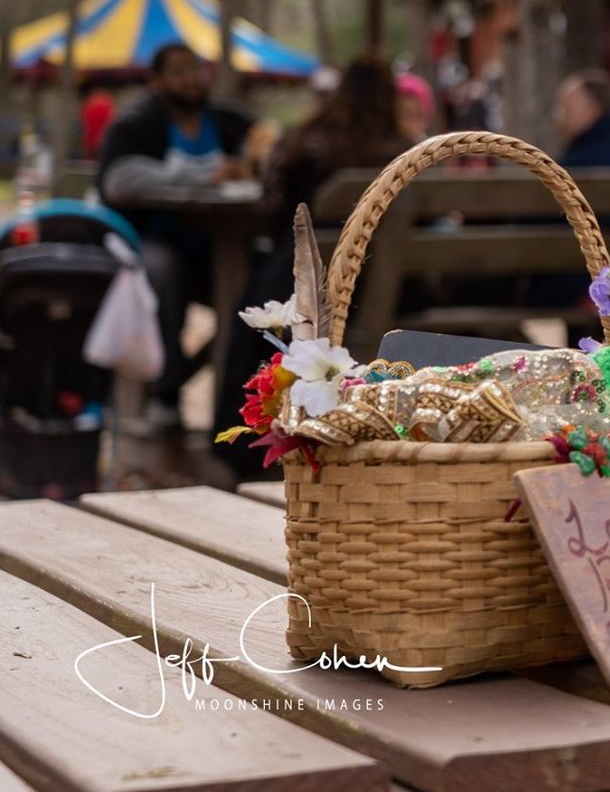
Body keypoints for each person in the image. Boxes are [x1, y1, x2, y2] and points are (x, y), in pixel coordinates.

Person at [215, 54, 412, 477]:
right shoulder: (406, 150)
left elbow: (271, 214)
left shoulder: (304, 141)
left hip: (303, 291)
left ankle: (244, 450)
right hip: (392, 292)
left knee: (254, 306)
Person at [98, 43, 256, 430]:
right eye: (179, 72)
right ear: (156, 80)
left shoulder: (229, 121)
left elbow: (267, 155)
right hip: (151, 238)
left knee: (263, 276)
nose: (190, 80)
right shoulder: (136, 125)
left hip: (222, 242)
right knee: (162, 271)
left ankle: (246, 399)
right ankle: (165, 393)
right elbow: (119, 181)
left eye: (195, 70)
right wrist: (206, 175)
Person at [78, 84, 116, 159]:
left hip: (92, 144)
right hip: (102, 143)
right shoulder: (105, 105)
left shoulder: (89, 105)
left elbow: (85, 127)